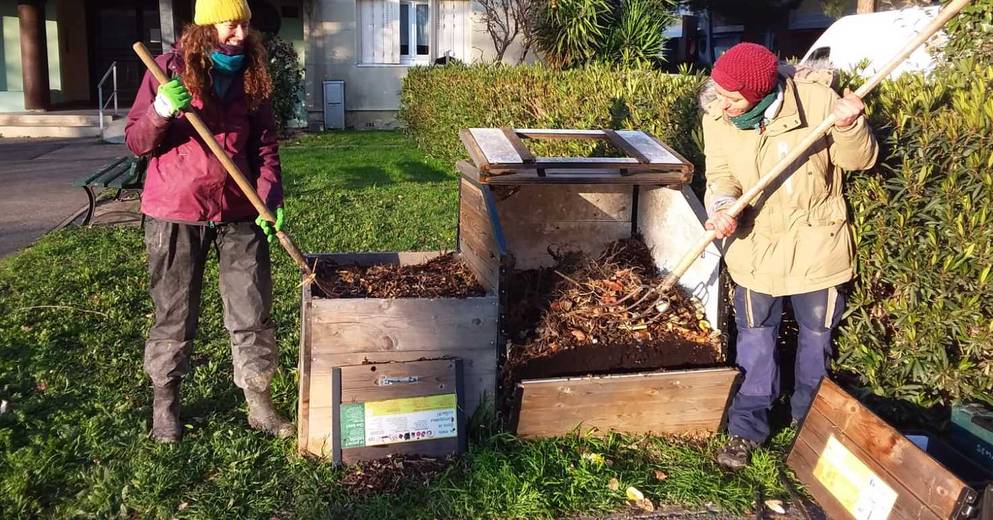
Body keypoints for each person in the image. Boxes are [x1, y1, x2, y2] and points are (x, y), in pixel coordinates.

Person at [699, 43, 878, 469]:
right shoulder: (717, 118)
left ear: (761, 89)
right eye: (719, 95)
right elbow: (719, 173)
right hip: (755, 248)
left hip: (818, 245)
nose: (723, 106)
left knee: (816, 340)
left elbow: (862, 160)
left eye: (733, 98)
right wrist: (723, 206)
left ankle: (808, 425)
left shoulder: (819, 103)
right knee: (755, 340)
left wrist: (850, 126)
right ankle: (747, 429)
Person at [125, 0, 293, 443]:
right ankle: (166, 405)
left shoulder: (252, 73)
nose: (239, 34)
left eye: (245, 25)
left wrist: (269, 198)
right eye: (229, 24)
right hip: (176, 209)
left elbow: (265, 147)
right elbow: (136, 142)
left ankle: (258, 402)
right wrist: (160, 111)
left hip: (240, 209)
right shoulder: (167, 69)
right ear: (205, 25)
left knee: (251, 308)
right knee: (175, 313)